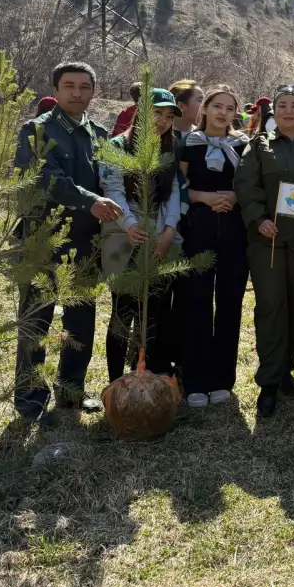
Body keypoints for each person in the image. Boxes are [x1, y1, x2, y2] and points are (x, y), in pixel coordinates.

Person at [14, 61, 123, 423]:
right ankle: (30, 399)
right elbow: (45, 178)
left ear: (93, 90)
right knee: (37, 322)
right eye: (70, 86)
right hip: (44, 240)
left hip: (86, 242)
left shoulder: (101, 135)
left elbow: (113, 180)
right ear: (56, 90)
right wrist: (90, 200)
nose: (77, 93)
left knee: (80, 320)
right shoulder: (37, 130)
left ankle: (71, 391)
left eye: (85, 86)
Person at [235, 84, 294, 418]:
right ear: (274, 111)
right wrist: (258, 219)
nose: (288, 110)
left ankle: (286, 367)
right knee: (272, 306)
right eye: (282, 105)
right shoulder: (259, 145)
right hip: (268, 240)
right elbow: (246, 184)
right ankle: (268, 381)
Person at [99, 89, 182, 381]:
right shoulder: (118, 146)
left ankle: (145, 378)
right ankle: (115, 383)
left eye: (169, 116)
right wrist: (130, 225)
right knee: (123, 311)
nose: (162, 121)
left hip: (161, 237)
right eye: (156, 113)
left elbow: (173, 193)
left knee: (154, 311)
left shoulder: (168, 149)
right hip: (124, 237)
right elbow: (114, 192)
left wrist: (170, 230)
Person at [179, 85, 249, 408]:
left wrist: (235, 196)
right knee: (197, 301)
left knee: (230, 302)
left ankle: (223, 377)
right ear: (204, 108)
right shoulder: (188, 145)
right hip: (199, 230)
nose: (223, 113)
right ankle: (195, 379)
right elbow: (180, 189)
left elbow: (250, 185)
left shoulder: (244, 145)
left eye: (230, 108)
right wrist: (204, 197)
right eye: (217, 106)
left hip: (234, 232)